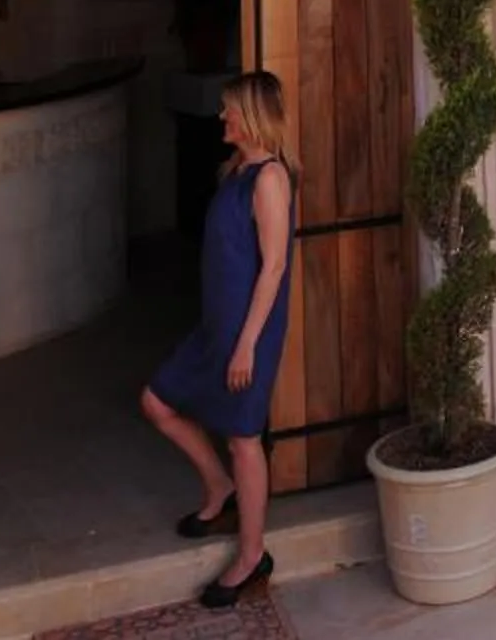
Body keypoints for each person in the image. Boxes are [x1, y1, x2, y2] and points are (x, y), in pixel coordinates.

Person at [140, 70, 296, 606]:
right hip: (216, 326)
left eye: (231, 109)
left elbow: (273, 269)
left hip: (248, 329)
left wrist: (249, 342)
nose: (223, 116)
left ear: (252, 117)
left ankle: (252, 556)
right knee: (157, 401)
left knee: (243, 437)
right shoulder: (235, 171)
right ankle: (219, 486)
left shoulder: (270, 179)